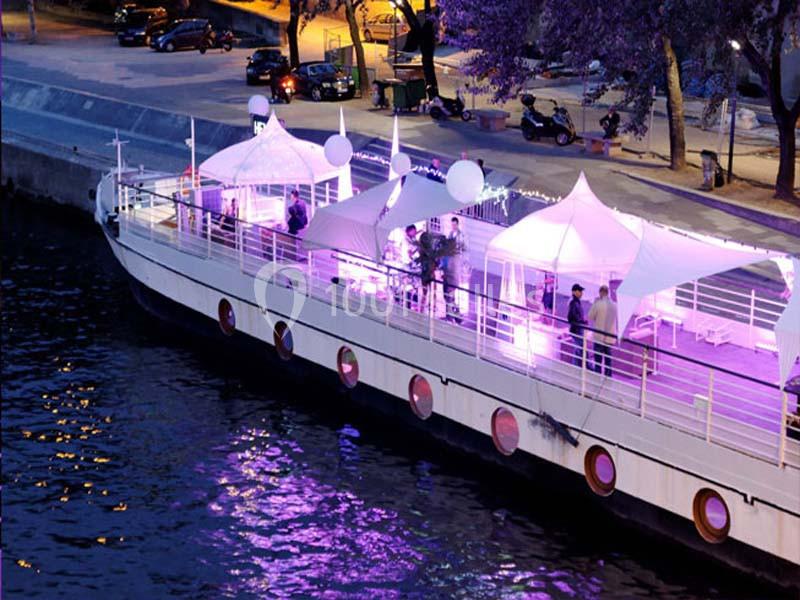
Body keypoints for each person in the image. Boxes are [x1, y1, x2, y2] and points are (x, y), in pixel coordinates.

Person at [588, 285, 617, 377]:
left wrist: (595, 303)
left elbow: (590, 317)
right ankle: (608, 377)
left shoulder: (598, 304)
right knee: (608, 359)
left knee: (598, 360)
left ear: (601, 293)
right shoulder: (614, 305)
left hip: (599, 337)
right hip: (610, 337)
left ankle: (597, 376)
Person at [444, 217, 466, 322]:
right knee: (448, 296)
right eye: (452, 224)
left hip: (453, 272)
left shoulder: (460, 236)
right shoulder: (450, 234)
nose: (453, 226)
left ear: (457, 224)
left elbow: (462, 249)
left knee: (450, 294)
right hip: (448, 270)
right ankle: (454, 314)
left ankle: (452, 314)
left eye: (454, 225)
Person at [567, 283, 588, 366]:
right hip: (577, 329)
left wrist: (582, 321)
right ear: (574, 292)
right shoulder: (573, 302)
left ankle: (577, 365)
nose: (581, 293)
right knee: (580, 348)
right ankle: (582, 365)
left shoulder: (575, 301)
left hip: (577, 328)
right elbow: (571, 316)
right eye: (580, 291)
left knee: (579, 349)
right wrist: (581, 321)